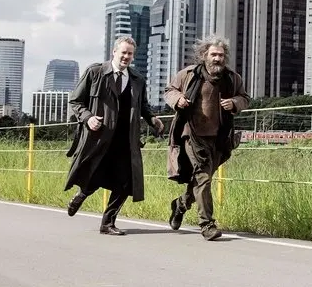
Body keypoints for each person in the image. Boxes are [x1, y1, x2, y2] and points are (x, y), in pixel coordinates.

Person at [64, 35, 164, 235]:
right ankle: (81, 195)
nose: (126, 57)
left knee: (126, 182)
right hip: (99, 138)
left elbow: (143, 106)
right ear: (114, 52)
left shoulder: (137, 79)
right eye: (123, 52)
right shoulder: (95, 72)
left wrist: (153, 119)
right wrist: (88, 118)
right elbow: (75, 101)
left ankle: (108, 223)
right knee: (95, 173)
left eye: (130, 54)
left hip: (126, 140)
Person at [163, 35, 249, 241]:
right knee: (203, 178)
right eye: (213, 55)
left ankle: (180, 205)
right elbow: (169, 91)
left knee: (202, 180)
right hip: (192, 135)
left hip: (219, 138)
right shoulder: (189, 74)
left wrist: (235, 103)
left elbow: (245, 98)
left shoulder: (233, 78)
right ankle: (207, 225)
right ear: (204, 55)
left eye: (221, 55)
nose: (217, 59)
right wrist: (178, 99)